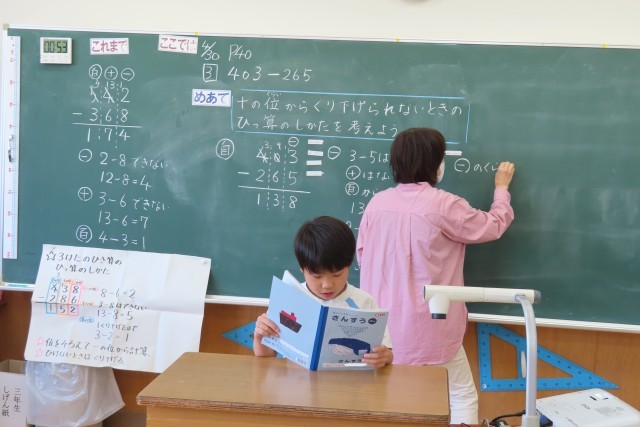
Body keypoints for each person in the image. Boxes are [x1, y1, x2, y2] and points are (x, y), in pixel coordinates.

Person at [356, 127, 515, 423]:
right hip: (429, 325)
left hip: (381, 329)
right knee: (460, 394)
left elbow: (362, 255)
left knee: (392, 401)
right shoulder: (444, 204)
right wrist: (501, 189)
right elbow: (493, 225)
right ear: (433, 163)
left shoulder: (376, 204)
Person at [253, 215, 393, 369]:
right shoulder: (288, 298)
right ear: (302, 268)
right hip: (295, 380)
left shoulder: (364, 301)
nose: (327, 285)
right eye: (317, 276)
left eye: (337, 275)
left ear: (348, 265)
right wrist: (259, 336)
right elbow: (266, 356)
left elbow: (387, 354)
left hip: (348, 381)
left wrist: (385, 356)